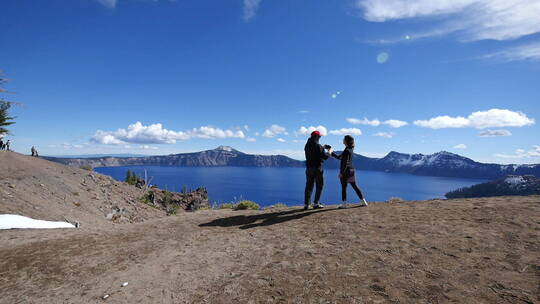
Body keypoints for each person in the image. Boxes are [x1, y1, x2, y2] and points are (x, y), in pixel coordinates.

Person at [331, 135, 368, 209]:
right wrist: (331, 151)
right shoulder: (350, 149)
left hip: (346, 171)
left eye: (344, 139)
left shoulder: (347, 150)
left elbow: (345, 163)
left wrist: (341, 173)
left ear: (346, 141)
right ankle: (364, 202)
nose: (343, 140)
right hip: (351, 170)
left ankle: (344, 204)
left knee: (344, 187)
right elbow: (339, 157)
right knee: (354, 186)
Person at [304, 130, 331, 210]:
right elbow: (325, 157)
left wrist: (322, 147)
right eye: (319, 136)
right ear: (316, 137)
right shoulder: (318, 146)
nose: (320, 137)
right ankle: (316, 204)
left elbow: (314, 151)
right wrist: (329, 151)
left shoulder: (307, 145)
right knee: (319, 185)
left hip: (309, 168)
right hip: (317, 168)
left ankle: (307, 204)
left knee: (309, 186)